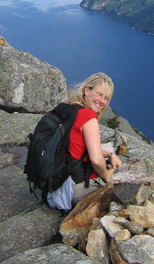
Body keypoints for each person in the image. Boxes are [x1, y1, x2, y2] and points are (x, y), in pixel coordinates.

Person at [47, 72, 122, 211]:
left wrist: (111, 155)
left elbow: (77, 147)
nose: (103, 101)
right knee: (120, 180)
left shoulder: (67, 107)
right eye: (99, 94)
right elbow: (96, 160)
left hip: (52, 181)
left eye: (106, 98)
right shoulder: (88, 116)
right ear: (87, 90)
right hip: (71, 190)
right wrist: (107, 176)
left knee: (104, 154)